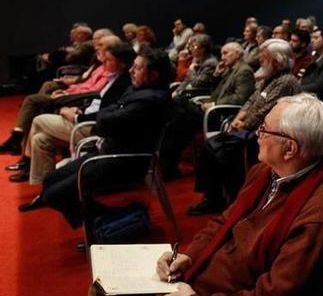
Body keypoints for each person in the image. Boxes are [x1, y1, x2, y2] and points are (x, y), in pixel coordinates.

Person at [82, 94, 323, 296]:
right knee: (103, 286)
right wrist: (189, 256)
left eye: (264, 130)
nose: (256, 135)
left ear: (289, 149)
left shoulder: (318, 219)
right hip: (203, 285)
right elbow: (225, 221)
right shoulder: (266, 173)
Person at [19, 48, 172, 227]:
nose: (131, 70)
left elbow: (105, 123)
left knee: (54, 194)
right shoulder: (137, 90)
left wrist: (107, 115)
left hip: (122, 163)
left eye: (137, 68)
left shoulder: (148, 101)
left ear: (153, 75)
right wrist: (108, 115)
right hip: (107, 153)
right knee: (49, 180)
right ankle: (104, 218)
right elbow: (107, 114)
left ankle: (102, 221)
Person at [188, 39, 301, 216]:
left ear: (277, 61)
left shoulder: (286, 81)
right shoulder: (269, 79)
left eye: (264, 58)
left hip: (270, 130)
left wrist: (244, 123)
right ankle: (214, 197)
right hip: (249, 126)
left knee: (221, 149)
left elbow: (269, 109)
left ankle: (236, 200)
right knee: (212, 146)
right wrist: (239, 117)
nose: (260, 61)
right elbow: (251, 100)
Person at [13, 39, 135, 184]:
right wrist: (79, 109)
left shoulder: (123, 83)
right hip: (85, 116)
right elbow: (97, 101)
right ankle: (45, 185)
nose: (104, 63)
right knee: (40, 139)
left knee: (38, 119)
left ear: (122, 64)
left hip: (91, 128)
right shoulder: (113, 77)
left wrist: (76, 116)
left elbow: (106, 114)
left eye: (108, 60)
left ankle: (26, 161)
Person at [159, 42, 256, 178]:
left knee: (181, 120)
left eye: (226, 53)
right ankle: (168, 162)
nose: (222, 57)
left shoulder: (244, 71)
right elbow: (217, 92)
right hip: (212, 108)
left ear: (237, 54)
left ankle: (168, 163)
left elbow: (241, 98)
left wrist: (214, 104)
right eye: (222, 53)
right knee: (177, 117)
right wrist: (216, 75)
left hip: (223, 113)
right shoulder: (230, 69)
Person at [171, 34, 217, 99]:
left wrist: (192, 70)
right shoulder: (197, 59)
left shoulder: (210, 63)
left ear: (203, 49)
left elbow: (197, 83)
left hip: (200, 95)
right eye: (190, 46)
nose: (190, 49)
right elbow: (187, 80)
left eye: (194, 46)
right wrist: (177, 92)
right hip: (190, 92)